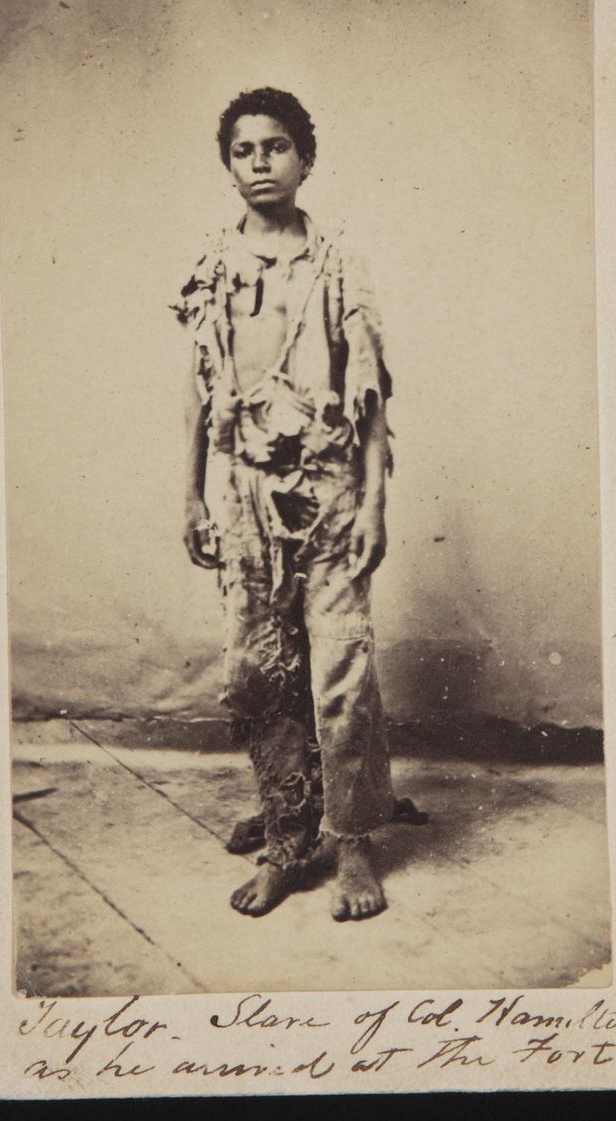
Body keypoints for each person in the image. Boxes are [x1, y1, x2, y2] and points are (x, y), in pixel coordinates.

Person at [173, 86, 397, 921]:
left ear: (305, 157)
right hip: (242, 497)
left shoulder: (337, 261)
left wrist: (374, 504)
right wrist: (190, 493)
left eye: (276, 147)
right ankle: (286, 833)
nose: (260, 162)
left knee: (340, 665)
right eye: (243, 150)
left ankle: (353, 841)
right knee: (259, 671)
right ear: (228, 164)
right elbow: (199, 390)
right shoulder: (213, 263)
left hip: (332, 494)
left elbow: (371, 399)